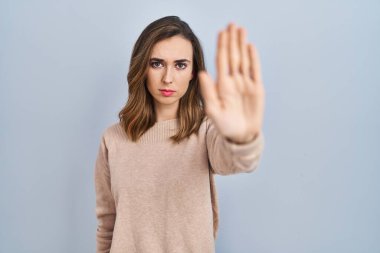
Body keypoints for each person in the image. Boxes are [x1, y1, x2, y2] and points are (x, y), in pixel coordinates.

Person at [94, 15, 265, 253]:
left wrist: (242, 138)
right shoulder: (112, 139)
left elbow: (236, 161)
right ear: (142, 67)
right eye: (157, 63)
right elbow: (107, 225)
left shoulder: (206, 130)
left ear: (194, 72)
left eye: (180, 65)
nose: (167, 78)